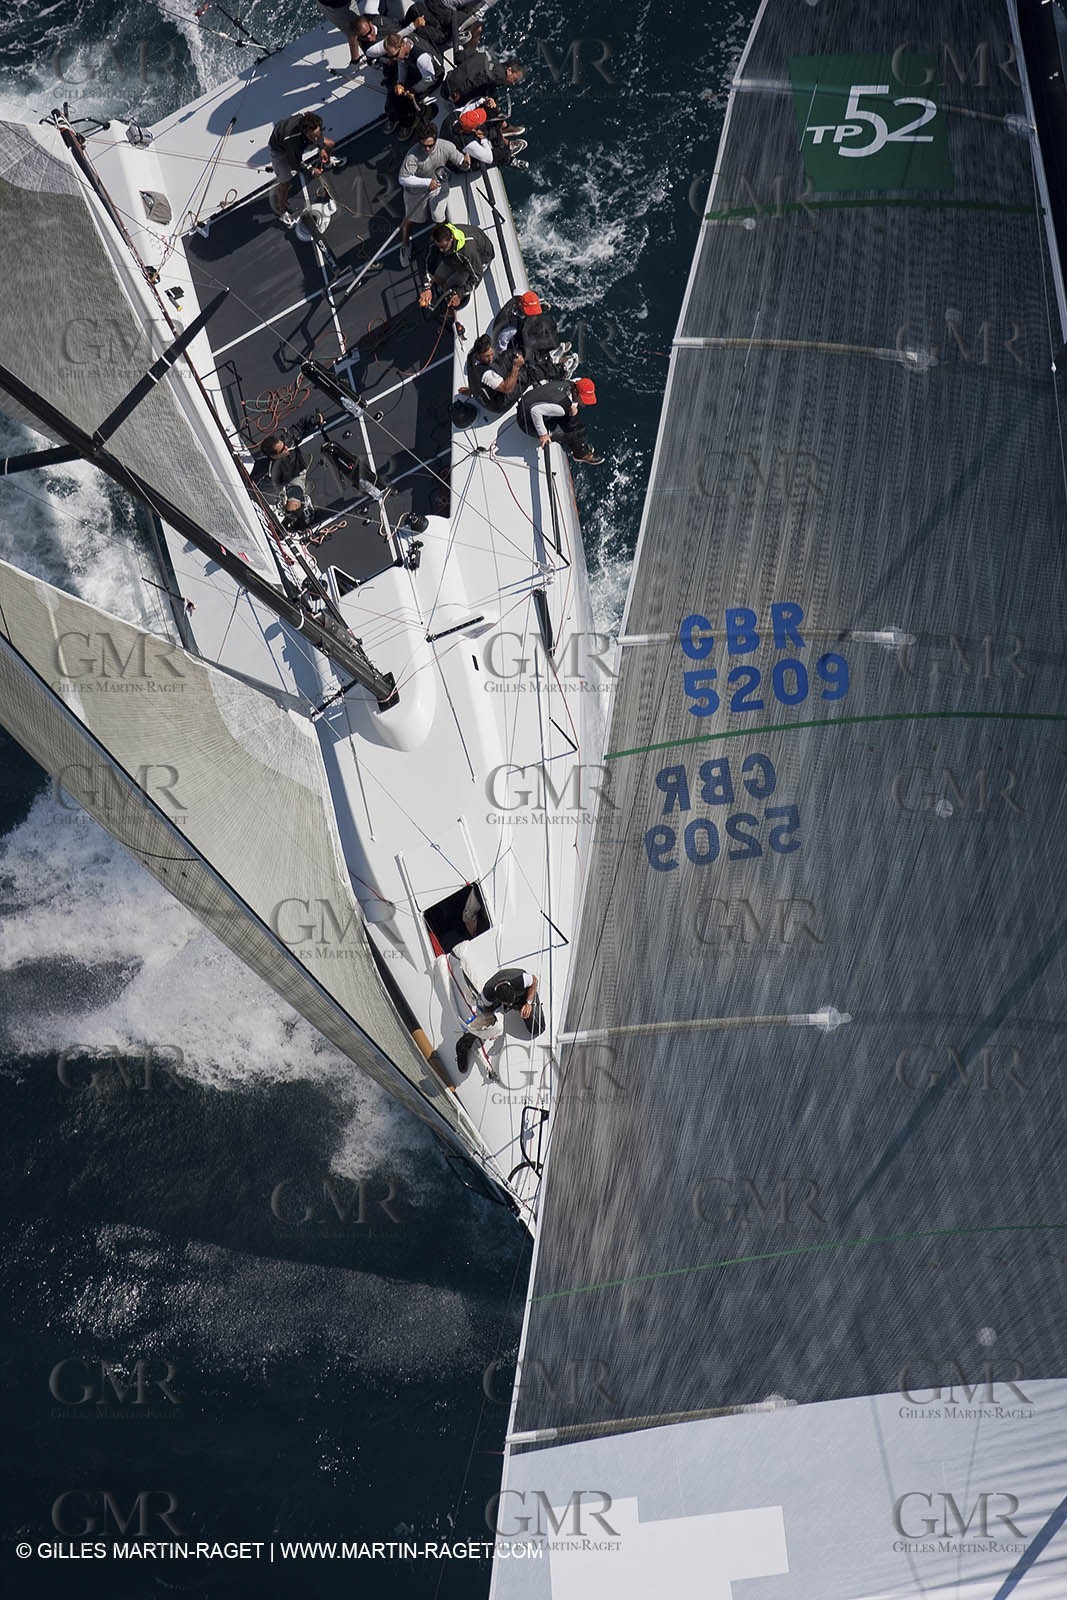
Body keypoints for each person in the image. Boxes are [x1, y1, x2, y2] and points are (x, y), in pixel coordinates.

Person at [397, 122, 470, 263]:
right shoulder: (412, 155)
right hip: (416, 192)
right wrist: (426, 183)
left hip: (438, 187)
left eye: (430, 145)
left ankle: (436, 240)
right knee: (410, 219)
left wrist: (465, 163)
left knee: (439, 218)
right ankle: (405, 243)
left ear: (436, 140)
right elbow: (403, 178)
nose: (427, 149)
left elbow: (460, 160)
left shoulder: (446, 146)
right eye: (424, 145)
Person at [268, 112, 336, 226]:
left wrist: (322, 148)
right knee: (285, 183)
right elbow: (295, 163)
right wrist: (311, 170)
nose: (315, 139)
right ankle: (282, 213)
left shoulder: (312, 127)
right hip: (280, 149)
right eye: (312, 137)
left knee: (330, 144)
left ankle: (327, 162)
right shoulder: (292, 139)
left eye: (317, 134)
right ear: (305, 132)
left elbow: (316, 137)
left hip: (300, 141)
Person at [516, 376, 603, 464]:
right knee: (569, 434)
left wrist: (574, 406)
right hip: (525, 420)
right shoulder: (561, 409)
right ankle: (579, 454)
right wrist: (543, 434)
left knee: (575, 424)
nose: (585, 403)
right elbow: (535, 411)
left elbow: (578, 380)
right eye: (584, 400)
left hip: (526, 402)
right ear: (575, 392)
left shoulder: (572, 383)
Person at [496, 290, 576, 380]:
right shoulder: (512, 328)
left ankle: (548, 353)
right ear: (520, 305)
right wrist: (502, 357)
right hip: (516, 345)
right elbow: (502, 342)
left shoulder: (522, 300)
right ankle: (548, 361)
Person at [418, 220, 495, 310]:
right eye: (439, 247)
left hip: (479, 258)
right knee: (438, 275)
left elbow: (477, 276)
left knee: (451, 285)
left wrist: (459, 293)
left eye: (443, 247)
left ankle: (451, 300)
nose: (441, 250)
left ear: (451, 238)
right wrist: (427, 287)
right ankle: (438, 291)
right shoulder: (438, 240)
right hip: (453, 255)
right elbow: (425, 259)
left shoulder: (468, 251)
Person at [381, 31, 446, 132]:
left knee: (405, 98)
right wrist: (400, 83)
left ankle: (409, 121)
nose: (394, 58)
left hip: (432, 77)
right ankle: (393, 114)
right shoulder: (403, 51)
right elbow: (401, 64)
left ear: (402, 45)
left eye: (396, 55)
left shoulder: (421, 58)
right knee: (393, 86)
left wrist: (412, 90)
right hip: (417, 70)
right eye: (391, 57)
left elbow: (429, 79)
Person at [440, 101, 527, 171]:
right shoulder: (467, 143)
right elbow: (488, 157)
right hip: (456, 163)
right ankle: (509, 159)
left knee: (491, 111)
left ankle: (502, 138)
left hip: (458, 136)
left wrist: (487, 101)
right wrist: (484, 139)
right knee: (495, 156)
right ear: (474, 129)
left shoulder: (456, 114)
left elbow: (475, 104)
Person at [461, 333, 528, 413]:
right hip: (499, 403)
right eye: (487, 356)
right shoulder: (486, 374)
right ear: (478, 355)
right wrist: (516, 367)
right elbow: (507, 389)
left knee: (506, 355)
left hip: (481, 393)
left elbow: (474, 379)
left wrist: (472, 390)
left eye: (491, 354)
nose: (490, 358)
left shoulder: (471, 356)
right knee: (525, 375)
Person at [446, 47, 524, 107]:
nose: (513, 83)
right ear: (509, 70)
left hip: (450, 77)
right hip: (451, 91)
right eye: (514, 79)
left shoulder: (489, 57)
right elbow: (478, 79)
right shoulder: (500, 76)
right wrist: (459, 93)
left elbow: (460, 57)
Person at [263, 432, 311, 517]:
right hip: (288, 481)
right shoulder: (272, 470)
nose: (286, 448)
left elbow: (299, 427)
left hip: (299, 471)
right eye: (282, 450)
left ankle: (302, 500)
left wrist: (314, 419)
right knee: (291, 510)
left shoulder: (287, 440)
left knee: (294, 507)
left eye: (284, 445)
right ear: (274, 456)